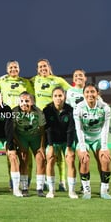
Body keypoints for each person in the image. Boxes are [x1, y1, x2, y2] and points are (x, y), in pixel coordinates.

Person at [0, 60, 34, 190]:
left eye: (15, 67)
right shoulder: (2, 81)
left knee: (25, 152)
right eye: (10, 67)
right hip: (6, 118)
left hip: (21, 120)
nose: (13, 69)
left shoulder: (26, 82)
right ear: (7, 69)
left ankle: (26, 181)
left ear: (19, 68)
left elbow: (32, 97)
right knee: (11, 153)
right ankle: (13, 181)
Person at [31, 58, 72, 191]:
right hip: (40, 120)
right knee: (42, 152)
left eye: (44, 66)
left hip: (55, 119)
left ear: (49, 67)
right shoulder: (34, 80)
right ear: (37, 69)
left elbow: (72, 91)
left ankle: (62, 182)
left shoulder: (58, 80)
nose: (43, 68)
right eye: (40, 67)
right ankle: (43, 181)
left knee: (58, 154)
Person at [74, 83, 111, 200]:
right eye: (87, 92)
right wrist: (82, 148)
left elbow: (106, 128)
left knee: (106, 159)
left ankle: (104, 190)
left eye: (92, 92)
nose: (90, 94)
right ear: (83, 94)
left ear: (97, 94)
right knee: (84, 160)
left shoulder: (105, 107)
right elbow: (79, 128)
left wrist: (104, 147)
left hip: (98, 138)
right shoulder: (78, 108)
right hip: (84, 138)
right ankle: (86, 190)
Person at [43, 87, 78, 199]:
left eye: (60, 96)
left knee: (70, 159)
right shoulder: (47, 110)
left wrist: (68, 147)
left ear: (65, 97)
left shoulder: (71, 110)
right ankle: (51, 191)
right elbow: (48, 129)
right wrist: (51, 146)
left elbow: (71, 130)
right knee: (50, 159)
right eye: (56, 96)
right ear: (52, 97)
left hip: (66, 141)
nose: (58, 98)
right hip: (53, 140)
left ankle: (72, 191)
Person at [12, 91, 46, 197]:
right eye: (21, 101)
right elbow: (12, 131)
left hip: (35, 136)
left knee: (40, 159)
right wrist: (20, 145)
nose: (24, 103)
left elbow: (42, 130)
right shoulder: (14, 112)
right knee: (23, 159)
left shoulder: (39, 112)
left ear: (32, 102)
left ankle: (40, 188)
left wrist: (41, 146)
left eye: (27, 101)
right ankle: (25, 187)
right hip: (22, 137)